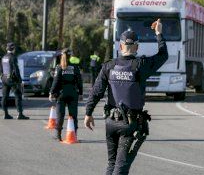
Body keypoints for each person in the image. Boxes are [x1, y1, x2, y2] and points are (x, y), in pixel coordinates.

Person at [84, 19, 168, 175]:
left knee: (112, 163)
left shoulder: (108, 66)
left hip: (110, 123)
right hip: (129, 124)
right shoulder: (140, 65)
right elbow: (163, 55)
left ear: (121, 46)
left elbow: (96, 91)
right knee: (121, 167)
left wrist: (88, 113)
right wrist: (158, 33)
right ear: (136, 47)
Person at [49, 48, 83, 141]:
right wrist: (81, 93)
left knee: (60, 115)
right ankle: (74, 135)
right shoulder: (75, 67)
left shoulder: (59, 67)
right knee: (73, 115)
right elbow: (79, 81)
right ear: (70, 56)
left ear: (61, 56)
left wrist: (51, 92)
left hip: (61, 94)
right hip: (73, 93)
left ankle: (58, 135)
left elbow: (55, 82)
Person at [0, 42, 29, 120]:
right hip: (12, 79)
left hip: (4, 78)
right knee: (18, 95)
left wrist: (3, 76)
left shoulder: (4, 57)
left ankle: (5, 114)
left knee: (5, 97)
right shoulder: (13, 57)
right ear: (13, 49)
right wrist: (20, 81)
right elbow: (16, 70)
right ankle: (20, 114)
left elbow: (1, 70)